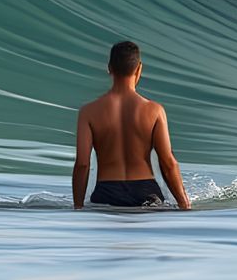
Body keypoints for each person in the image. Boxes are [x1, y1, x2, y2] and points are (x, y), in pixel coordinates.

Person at [73, 40, 191, 210]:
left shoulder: (88, 112)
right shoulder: (154, 110)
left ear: (109, 68)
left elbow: (82, 164)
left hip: (106, 192)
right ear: (139, 68)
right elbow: (168, 162)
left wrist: (77, 206)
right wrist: (184, 203)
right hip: (145, 192)